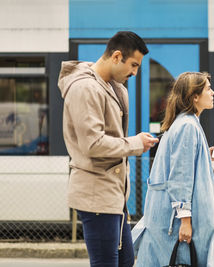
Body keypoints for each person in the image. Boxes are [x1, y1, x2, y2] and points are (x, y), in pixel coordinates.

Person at [58, 31, 159, 267]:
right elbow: (92, 144)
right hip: (96, 195)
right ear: (116, 56)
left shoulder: (115, 88)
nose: (135, 72)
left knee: (125, 262)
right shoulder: (85, 88)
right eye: (133, 65)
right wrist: (135, 144)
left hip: (114, 196)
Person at [132, 72, 214, 266]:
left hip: (168, 218)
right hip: (175, 223)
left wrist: (204, 154)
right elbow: (180, 177)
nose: (213, 92)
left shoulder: (182, 123)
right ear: (194, 96)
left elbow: (180, 164)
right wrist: (185, 221)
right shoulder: (188, 126)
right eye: (208, 88)